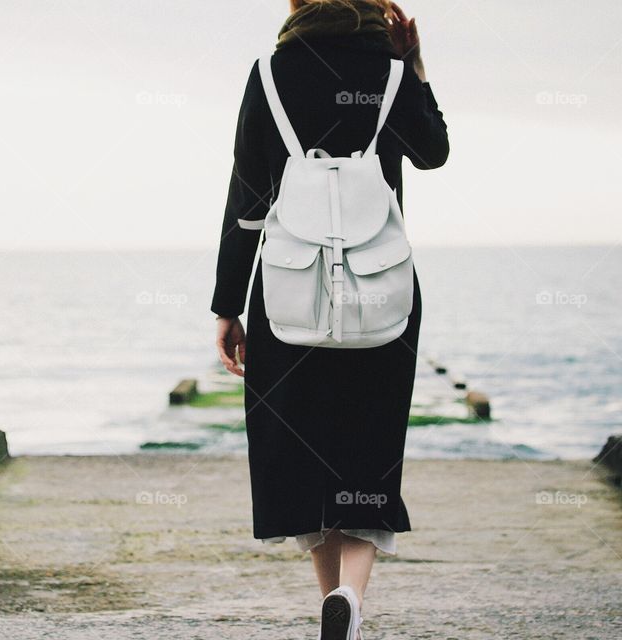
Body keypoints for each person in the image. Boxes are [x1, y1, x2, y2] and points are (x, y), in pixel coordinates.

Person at [211, 1, 449, 638]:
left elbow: (247, 199)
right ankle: (350, 594)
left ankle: (335, 607)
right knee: (367, 453)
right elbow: (433, 153)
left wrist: (227, 305)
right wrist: (415, 66)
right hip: (380, 291)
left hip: (291, 295)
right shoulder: (392, 72)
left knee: (302, 454)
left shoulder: (268, 73)